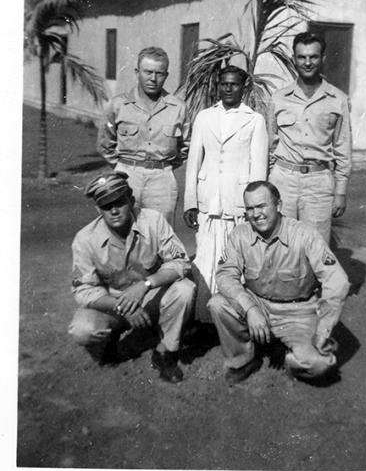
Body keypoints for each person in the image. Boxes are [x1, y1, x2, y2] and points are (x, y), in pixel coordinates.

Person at [208, 181, 350, 385]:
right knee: (218, 304)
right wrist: (250, 309)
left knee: (320, 364)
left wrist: (323, 331)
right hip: (258, 304)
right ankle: (243, 359)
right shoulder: (240, 234)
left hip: (298, 313)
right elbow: (225, 275)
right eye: (250, 209)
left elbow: (337, 281)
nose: (256, 214)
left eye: (262, 206)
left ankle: (287, 355)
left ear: (279, 205)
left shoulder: (305, 235)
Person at [68, 171, 195, 383]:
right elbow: (84, 290)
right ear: (98, 209)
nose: (114, 211)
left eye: (119, 202)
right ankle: (108, 341)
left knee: (185, 289)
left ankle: (165, 351)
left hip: (149, 295)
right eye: (107, 206)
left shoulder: (153, 221)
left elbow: (180, 262)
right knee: (82, 329)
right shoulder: (85, 239)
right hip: (113, 303)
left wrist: (146, 284)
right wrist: (123, 305)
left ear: (131, 200)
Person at [183, 65, 268, 320]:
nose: (228, 88)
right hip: (208, 202)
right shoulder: (204, 117)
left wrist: (255, 209)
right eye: (224, 84)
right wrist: (190, 202)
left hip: (236, 205)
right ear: (218, 86)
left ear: (244, 88)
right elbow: (194, 161)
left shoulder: (254, 120)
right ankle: (201, 319)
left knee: (234, 263)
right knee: (205, 259)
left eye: (234, 84)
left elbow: (259, 169)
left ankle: (230, 318)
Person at [268, 31, 352, 245]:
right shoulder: (278, 99)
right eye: (301, 57)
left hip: (318, 182)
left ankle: (314, 281)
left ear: (322, 59)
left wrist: (340, 191)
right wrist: (269, 183)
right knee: (281, 245)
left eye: (313, 57)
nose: (307, 63)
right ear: (294, 59)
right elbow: (269, 145)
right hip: (282, 180)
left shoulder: (337, 100)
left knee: (315, 247)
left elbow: (343, 149)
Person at [97, 46, 188, 225]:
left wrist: (164, 166)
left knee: (161, 235)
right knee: (123, 231)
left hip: (162, 178)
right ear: (137, 72)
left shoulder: (177, 107)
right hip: (127, 175)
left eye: (159, 73)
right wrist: (124, 166)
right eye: (148, 72)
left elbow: (185, 146)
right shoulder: (118, 104)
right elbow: (105, 143)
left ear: (166, 75)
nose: (153, 79)